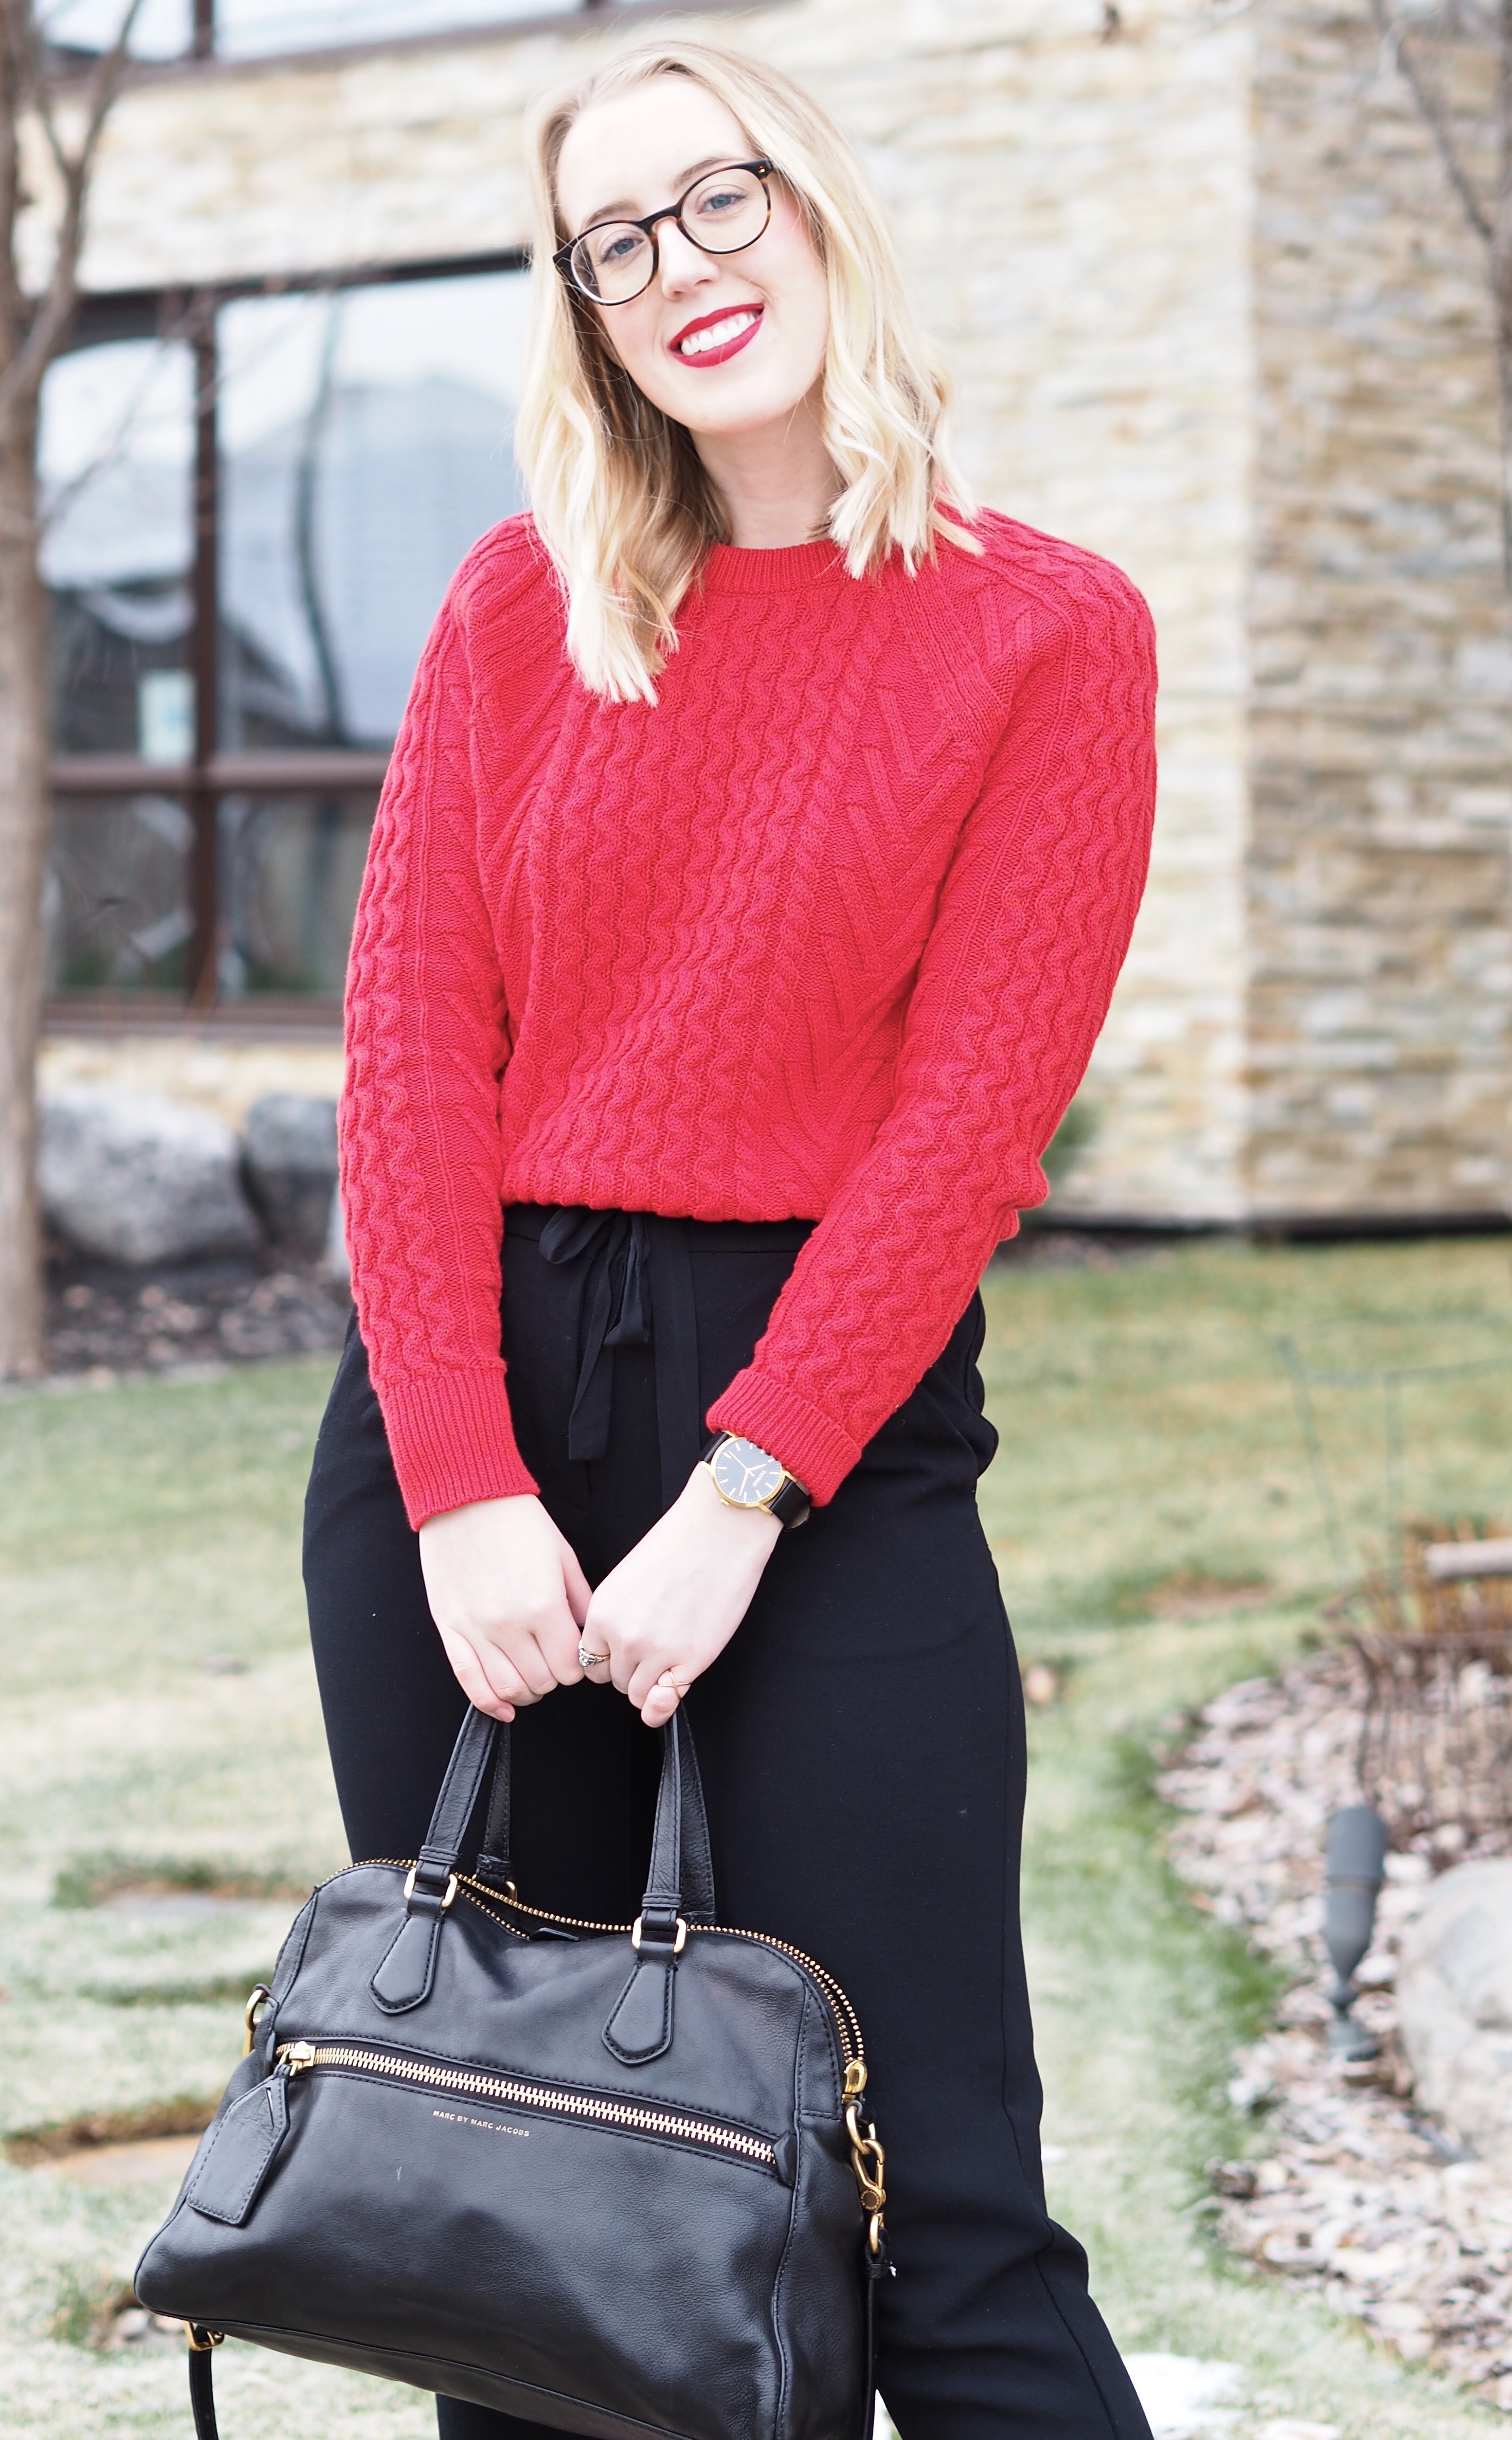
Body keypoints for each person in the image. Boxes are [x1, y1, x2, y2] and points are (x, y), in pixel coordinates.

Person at [304, 35, 1158, 2440]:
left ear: (819, 207)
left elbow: (970, 1123)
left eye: (720, 199)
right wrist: (465, 1477)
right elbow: (409, 1068)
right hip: (466, 1420)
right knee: (543, 2220)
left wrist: (745, 1486)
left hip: (824, 1415)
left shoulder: (1049, 633)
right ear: (579, 308)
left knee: (939, 2206)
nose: (682, 267)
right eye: (616, 239)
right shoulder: (517, 610)